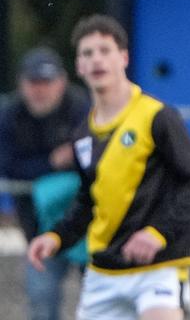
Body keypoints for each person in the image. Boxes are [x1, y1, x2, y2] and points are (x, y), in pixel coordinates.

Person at [27, 15, 190, 320]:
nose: (96, 59)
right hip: (103, 272)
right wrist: (55, 237)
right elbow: (88, 202)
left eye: (105, 50)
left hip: (158, 267)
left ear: (123, 57)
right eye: (87, 53)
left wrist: (157, 233)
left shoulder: (157, 117)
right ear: (79, 67)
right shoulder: (83, 135)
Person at [0, 47, 90, 320]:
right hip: (39, 230)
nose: (40, 90)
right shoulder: (10, 114)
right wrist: (52, 162)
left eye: (46, 82)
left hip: (87, 225)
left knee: (103, 304)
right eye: (33, 82)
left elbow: (97, 159)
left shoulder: (80, 106)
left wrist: (68, 159)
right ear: (21, 84)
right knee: (41, 302)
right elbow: (6, 165)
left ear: (62, 82)